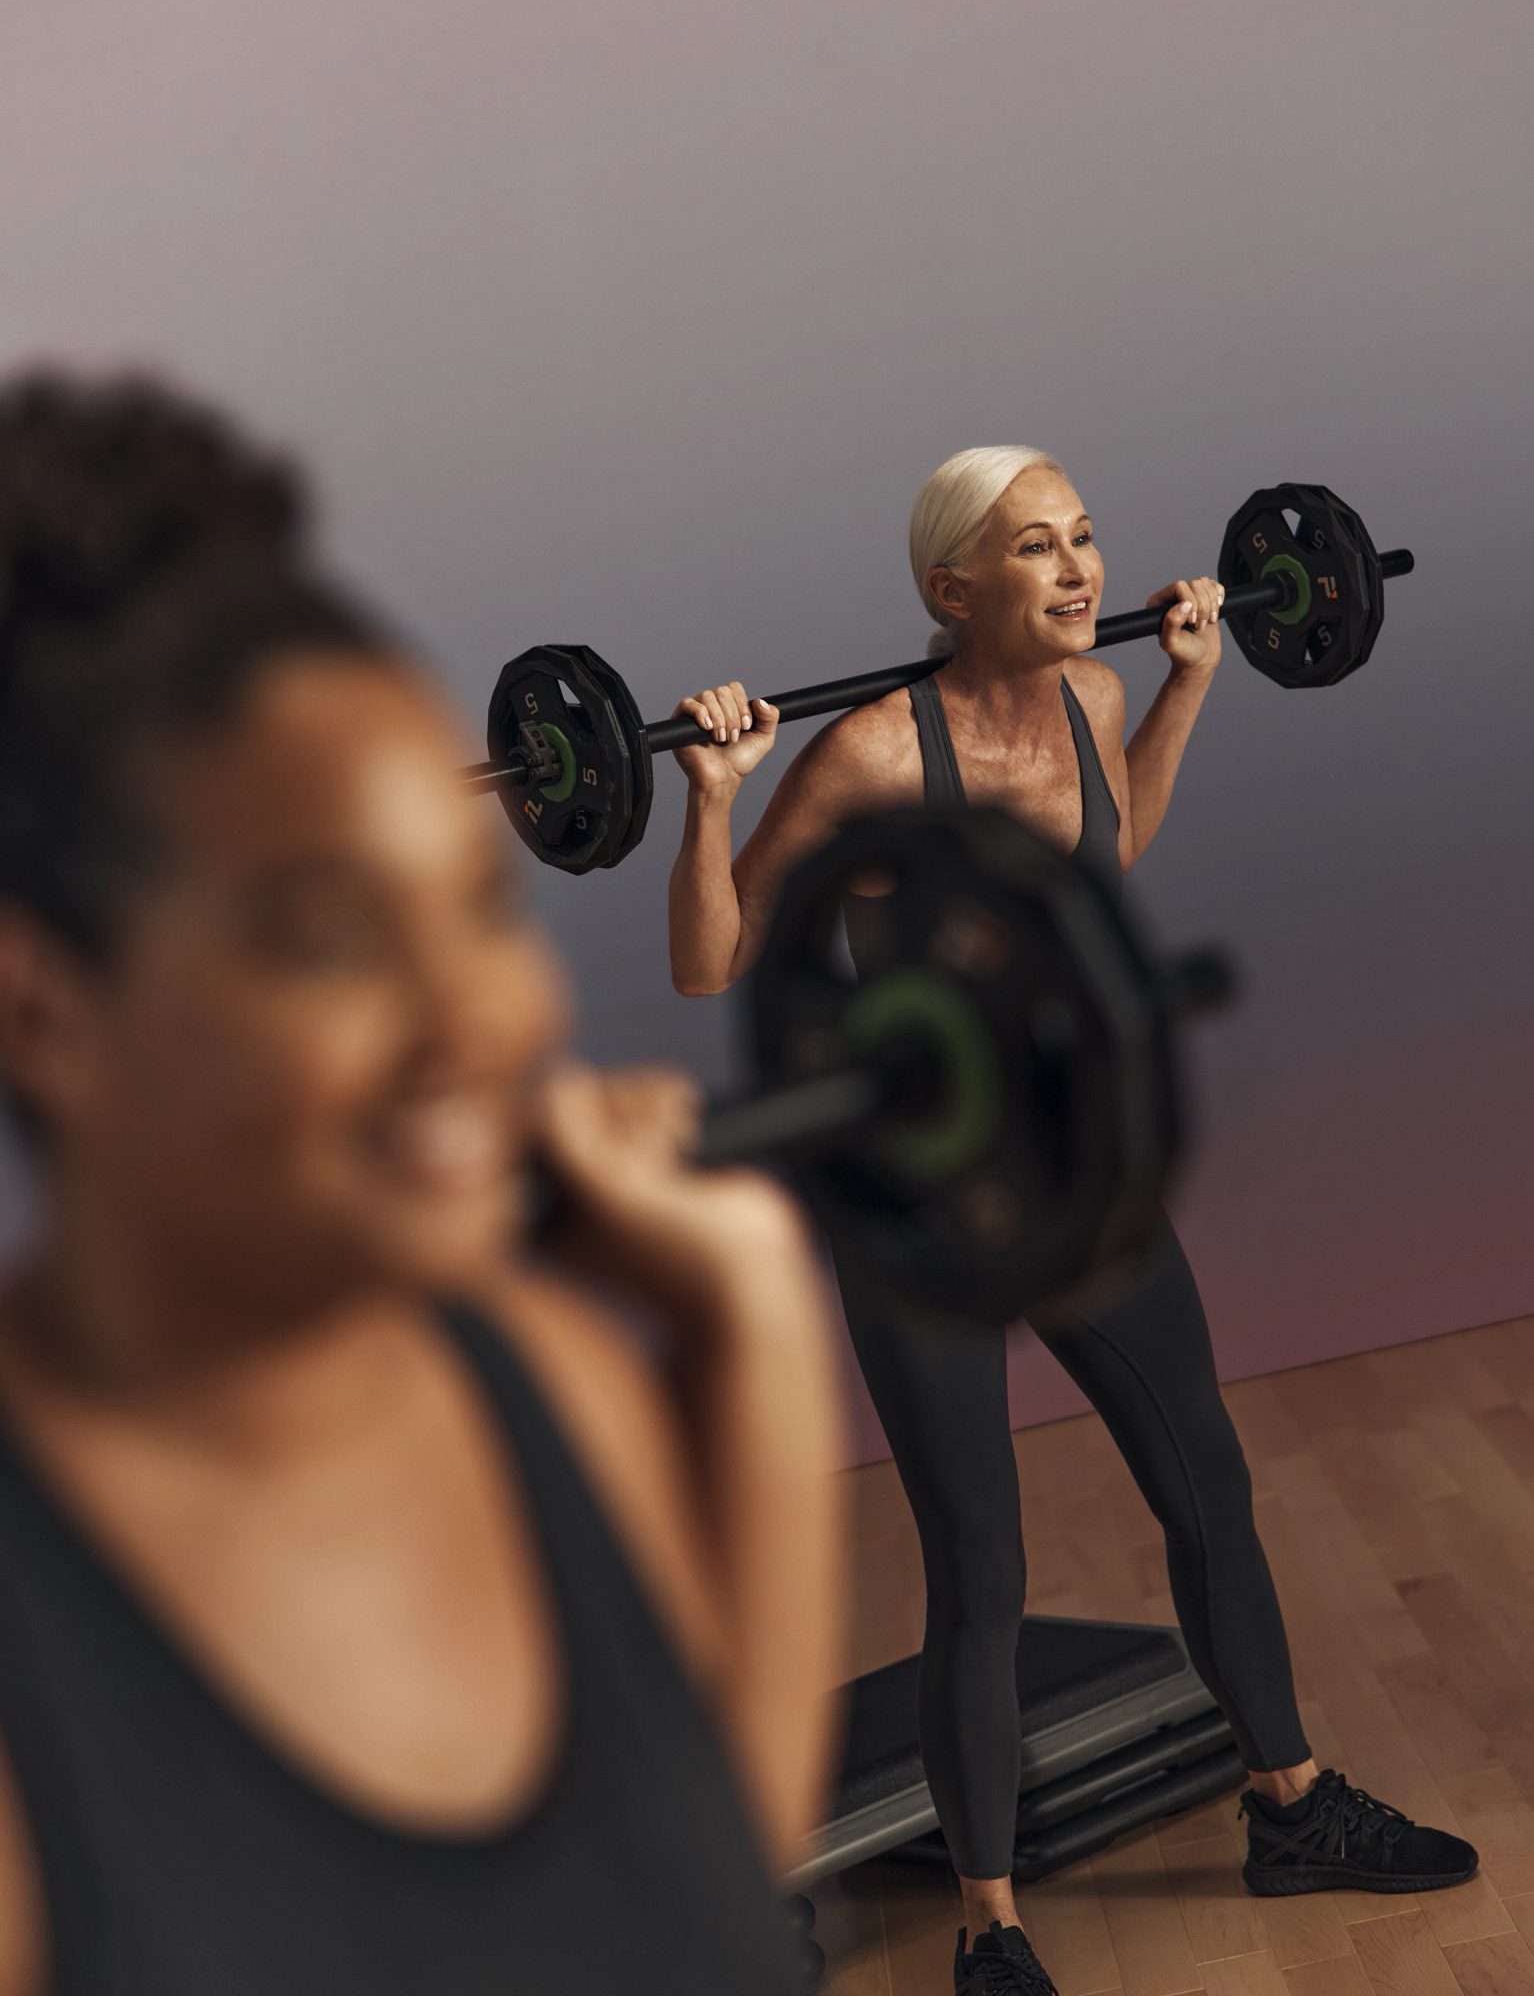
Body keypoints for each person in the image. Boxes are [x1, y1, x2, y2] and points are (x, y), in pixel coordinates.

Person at [0, 374, 844, 1996]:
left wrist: (748, 1322)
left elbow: (699, 1901)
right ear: (45, 1008)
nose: (484, 1014)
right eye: (327, 937)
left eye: (478, 905)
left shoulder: (547, 1382)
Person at [666, 445, 1476, 1996]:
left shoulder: (1094, 700)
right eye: (1035, 550)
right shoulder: (872, 760)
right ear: (949, 591)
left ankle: (1288, 1806)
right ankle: (991, 1925)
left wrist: (1181, 692)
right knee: (981, 1565)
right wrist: (712, 800)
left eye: (1085, 537)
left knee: (1209, 1495)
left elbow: (1104, 854)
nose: (1081, 571)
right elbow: (712, 964)